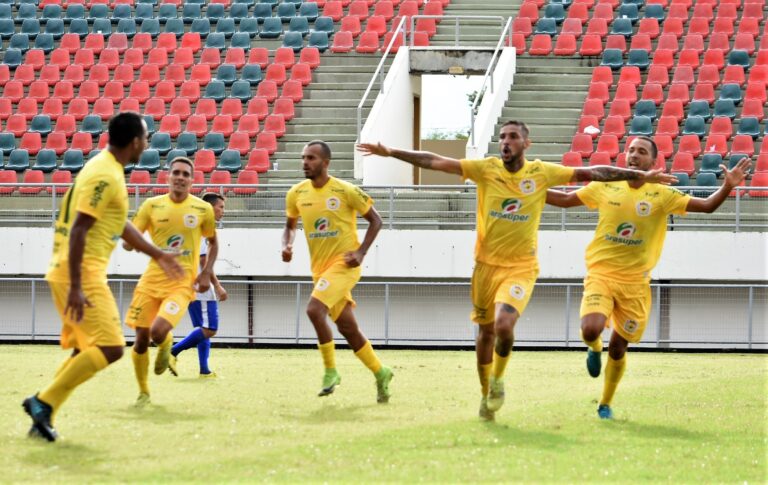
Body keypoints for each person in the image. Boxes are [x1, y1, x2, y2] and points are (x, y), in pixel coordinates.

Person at [358, 121, 676, 421]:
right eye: (502, 137)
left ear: (526, 142)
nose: (505, 142)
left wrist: (637, 177)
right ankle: (487, 394)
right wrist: (392, 152)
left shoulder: (542, 172)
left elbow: (592, 171)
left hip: (522, 266)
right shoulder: (486, 169)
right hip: (485, 265)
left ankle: (498, 378)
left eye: (512, 137)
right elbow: (435, 160)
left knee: (503, 324)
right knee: (485, 332)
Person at [545, 136, 751, 419]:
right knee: (591, 329)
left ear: (653, 161)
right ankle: (593, 348)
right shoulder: (606, 184)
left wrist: (728, 186)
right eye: (630, 150)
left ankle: (605, 402)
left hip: (636, 284)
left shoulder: (661, 194)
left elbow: (706, 207)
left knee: (618, 347)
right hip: (602, 273)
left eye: (641, 152)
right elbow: (566, 199)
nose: (634, 155)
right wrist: (528, 189)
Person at [23, 112, 184, 441]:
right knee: (111, 348)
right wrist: (77, 287)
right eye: (146, 138)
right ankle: (43, 402)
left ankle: (44, 414)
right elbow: (80, 229)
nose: (148, 144)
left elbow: (119, 223)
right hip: (79, 273)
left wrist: (158, 253)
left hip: (76, 271)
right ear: (136, 142)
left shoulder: (106, 168)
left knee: (85, 350)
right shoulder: (105, 174)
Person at [282, 140, 393, 403]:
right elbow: (289, 225)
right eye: (303, 158)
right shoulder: (296, 193)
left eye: (311, 158)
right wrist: (287, 244)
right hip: (320, 270)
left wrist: (361, 252)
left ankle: (331, 372)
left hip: (344, 265)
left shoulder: (345, 191)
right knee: (348, 329)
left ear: (325, 163)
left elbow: (376, 220)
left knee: (313, 310)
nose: (305, 163)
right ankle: (381, 372)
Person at [124, 157, 218, 406]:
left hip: (181, 283)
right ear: (167, 177)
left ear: (192, 180)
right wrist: (128, 242)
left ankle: (166, 343)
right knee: (141, 339)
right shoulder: (152, 205)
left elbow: (213, 242)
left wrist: (207, 272)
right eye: (176, 172)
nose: (180, 177)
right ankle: (143, 392)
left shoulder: (202, 209)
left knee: (158, 331)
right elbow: (131, 236)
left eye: (186, 174)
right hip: (150, 281)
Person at [169, 192, 227, 378]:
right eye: (221, 207)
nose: (223, 211)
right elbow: (203, 261)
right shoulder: (202, 227)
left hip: (189, 283)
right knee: (210, 329)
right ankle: (172, 352)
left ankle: (204, 369)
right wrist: (217, 286)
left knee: (202, 330)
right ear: (210, 208)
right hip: (199, 285)